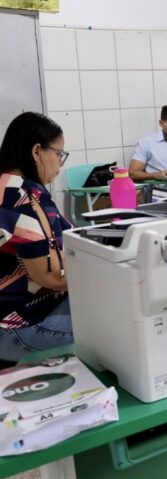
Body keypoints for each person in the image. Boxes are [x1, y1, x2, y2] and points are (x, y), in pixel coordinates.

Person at [0, 112, 73, 361]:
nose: (60, 164)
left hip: (22, 313)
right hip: (17, 326)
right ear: (37, 151)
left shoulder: (11, 186)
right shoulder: (22, 197)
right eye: (59, 154)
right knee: (117, 323)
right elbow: (52, 276)